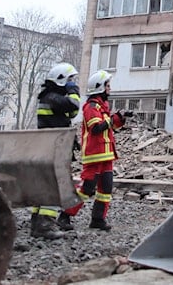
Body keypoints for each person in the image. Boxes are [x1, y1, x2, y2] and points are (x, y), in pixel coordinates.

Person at [61, 70, 131, 231]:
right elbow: (96, 128)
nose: (109, 89)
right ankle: (65, 215)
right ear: (100, 87)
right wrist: (112, 118)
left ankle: (98, 219)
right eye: (107, 86)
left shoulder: (102, 106)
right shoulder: (91, 107)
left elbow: (110, 127)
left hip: (105, 156)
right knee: (87, 188)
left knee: (105, 189)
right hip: (94, 156)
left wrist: (120, 118)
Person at [29, 63, 81, 239]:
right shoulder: (52, 98)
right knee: (54, 186)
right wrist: (74, 90)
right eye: (70, 80)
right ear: (61, 80)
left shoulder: (50, 98)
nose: (72, 83)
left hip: (49, 148)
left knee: (45, 185)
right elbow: (74, 105)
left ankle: (37, 222)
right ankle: (45, 225)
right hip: (54, 149)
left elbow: (71, 114)